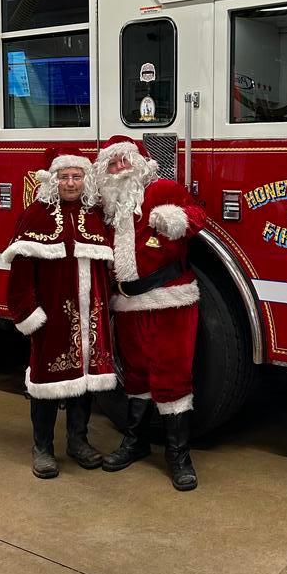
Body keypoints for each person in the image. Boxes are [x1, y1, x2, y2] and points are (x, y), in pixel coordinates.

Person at [91, 135, 205, 491]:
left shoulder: (163, 189)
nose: (120, 168)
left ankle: (178, 456)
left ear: (139, 161)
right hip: (126, 305)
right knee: (137, 375)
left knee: (171, 374)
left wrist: (175, 219)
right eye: (112, 163)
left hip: (169, 299)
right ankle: (136, 442)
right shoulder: (105, 206)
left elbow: (199, 218)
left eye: (125, 160)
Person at [2, 149, 116, 479]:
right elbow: (20, 276)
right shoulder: (35, 215)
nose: (70, 183)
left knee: (84, 381)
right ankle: (43, 447)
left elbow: (105, 269)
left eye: (76, 176)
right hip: (52, 318)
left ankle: (78, 442)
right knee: (46, 383)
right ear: (54, 179)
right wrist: (28, 314)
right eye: (64, 177)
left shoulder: (94, 215)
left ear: (85, 180)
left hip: (89, 317)